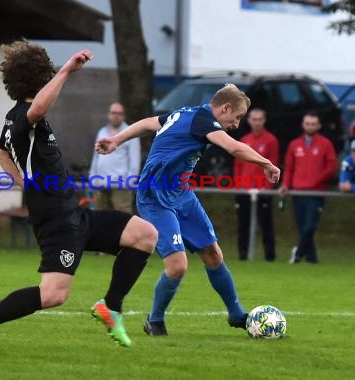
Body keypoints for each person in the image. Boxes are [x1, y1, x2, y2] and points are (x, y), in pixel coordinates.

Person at [0, 40, 157, 351]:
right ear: (41, 76)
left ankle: (111, 307)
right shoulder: (24, 114)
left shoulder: (12, 119)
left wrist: (26, 185)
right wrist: (66, 71)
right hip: (57, 221)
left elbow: (1, 156)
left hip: (73, 213)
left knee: (144, 234)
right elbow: (36, 111)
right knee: (53, 295)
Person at [96, 84, 281, 336]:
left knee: (213, 254)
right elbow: (234, 148)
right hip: (156, 197)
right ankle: (155, 320)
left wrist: (117, 139)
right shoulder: (203, 120)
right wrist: (266, 163)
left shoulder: (186, 113)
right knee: (177, 266)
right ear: (224, 108)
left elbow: (150, 122)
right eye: (237, 117)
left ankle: (237, 315)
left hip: (181, 194)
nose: (236, 125)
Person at [280, 111, 337, 264]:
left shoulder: (325, 144)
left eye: (313, 124)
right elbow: (289, 167)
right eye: (307, 123)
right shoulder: (294, 144)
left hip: (315, 193)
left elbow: (331, 167)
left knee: (309, 227)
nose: (310, 126)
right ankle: (312, 259)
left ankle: (297, 254)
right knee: (302, 228)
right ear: (303, 124)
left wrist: (316, 180)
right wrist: (285, 184)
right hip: (297, 192)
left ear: (318, 125)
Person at [234, 108, 279, 261]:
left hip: (263, 190)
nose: (257, 122)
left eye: (260, 119)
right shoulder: (244, 140)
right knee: (243, 224)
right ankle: (243, 255)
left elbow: (273, 164)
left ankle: (270, 256)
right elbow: (238, 166)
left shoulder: (271, 140)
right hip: (245, 190)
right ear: (249, 120)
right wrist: (239, 186)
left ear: (264, 121)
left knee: (266, 224)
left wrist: (268, 188)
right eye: (254, 119)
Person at [89, 102, 140, 214]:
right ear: (108, 115)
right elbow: (96, 157)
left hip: (121, 185)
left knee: (123, 217)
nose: (116, 116)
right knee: (100, 217)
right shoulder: (102, 132)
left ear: (124, 115)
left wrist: (129, 182)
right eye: (113, 113)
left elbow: (135, 161)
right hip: (100, 183)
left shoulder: (130, 133)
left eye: (119, 113)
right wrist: (93, 177)